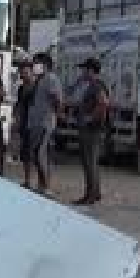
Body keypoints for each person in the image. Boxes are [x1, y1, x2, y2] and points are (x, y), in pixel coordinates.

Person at [71, 57, 111, 205]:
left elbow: (103, 103)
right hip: (91, 129)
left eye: (84, 69)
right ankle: (95, 192)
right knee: (90, 162)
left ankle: (90, 195)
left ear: (90, 70)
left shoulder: (96, 85)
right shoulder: (92, 85)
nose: (82, 72)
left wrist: (90, 119)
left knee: (89, 163)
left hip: (92, 130)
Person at [19, 53, 61, 193]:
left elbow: (56, 99)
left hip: (44, 122)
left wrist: (54, 115)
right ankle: (41, 185)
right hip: (35, 122)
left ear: (44, 65)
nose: (34, 66)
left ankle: (45, 186)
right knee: (36, 154)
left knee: (39, 153)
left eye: (36, 63)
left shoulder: (50, 78)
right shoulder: (40, 79)